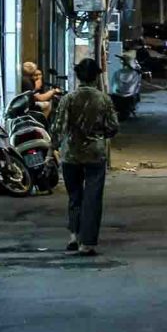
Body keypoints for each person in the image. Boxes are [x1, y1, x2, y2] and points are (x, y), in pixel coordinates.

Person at [50, 57, 118, 256]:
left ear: (78, 76)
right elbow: (113, 127)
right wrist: (100, 134)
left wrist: (52, 148)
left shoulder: (68, 99)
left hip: (71, 154)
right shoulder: (103, 99)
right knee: (92, 198)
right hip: (95, 155)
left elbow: (58, 128)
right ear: (96, 77)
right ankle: (86, 243)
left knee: (75, 196)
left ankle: (73, 235)